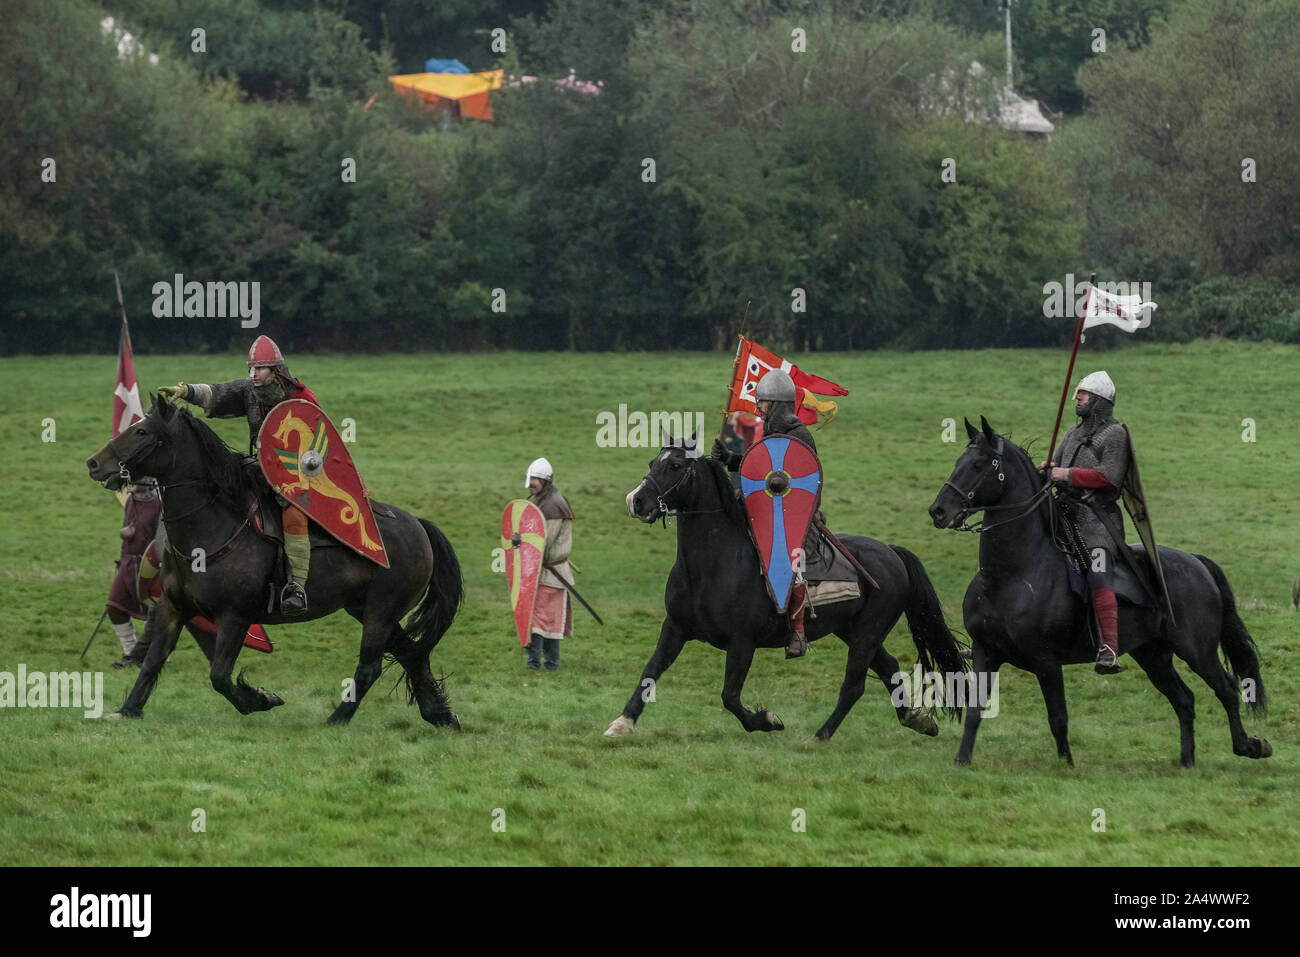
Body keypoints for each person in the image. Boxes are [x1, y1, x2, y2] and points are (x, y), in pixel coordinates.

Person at [158, 335, 319, 616]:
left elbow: (317, 448)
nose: (253, 374)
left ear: (276, 370)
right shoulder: (250, 391)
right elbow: (217, 394)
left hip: (299, 474)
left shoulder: (301, 399)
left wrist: (292, 477)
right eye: (251, 369)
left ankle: (297, 586)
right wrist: (185, 391)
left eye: (260, 369)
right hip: (262, 468)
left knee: (294, 514)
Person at [711, 369, 817, 659]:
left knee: (790, 562)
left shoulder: (799, 435)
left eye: (763, 403)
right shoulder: (769, 433)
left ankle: (797, 629)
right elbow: (760, 469)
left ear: (778, 404)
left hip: (797, 519)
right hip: (767, 516)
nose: (758, 408)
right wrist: (729, 459)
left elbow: (806, 482)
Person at [1042, 370, 1129, 674]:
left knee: (1098, 569)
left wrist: (1065, 475)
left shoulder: (1116, 434)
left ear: (1100, 401)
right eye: (1078, 392)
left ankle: (1108, 648)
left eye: (1083, 394)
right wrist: (1047, 468)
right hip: (1063, 512)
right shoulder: (1072, 433)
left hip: (1096, 521)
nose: (1077, 397)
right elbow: (1057, 465)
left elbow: (1109, 478)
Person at [104, 479, 162, 668]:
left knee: (159, 614)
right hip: (128, 562)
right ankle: (130, 650)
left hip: (151, 566)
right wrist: (122, 562)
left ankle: (157, 652)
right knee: (114, 606)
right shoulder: (131, 500)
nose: (130, 483)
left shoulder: (159, 502)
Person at [524, 457, 574, 671]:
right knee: (543, 620)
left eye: (535, 479)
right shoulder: (544, 500)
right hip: (542, 572)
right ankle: (546, 663)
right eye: (531, 478)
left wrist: (521, 542)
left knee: (542, 621)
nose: (531, 483)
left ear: (545, 480)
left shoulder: (552, 505)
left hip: (551, 573)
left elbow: (542, 542)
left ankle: (539, 663)